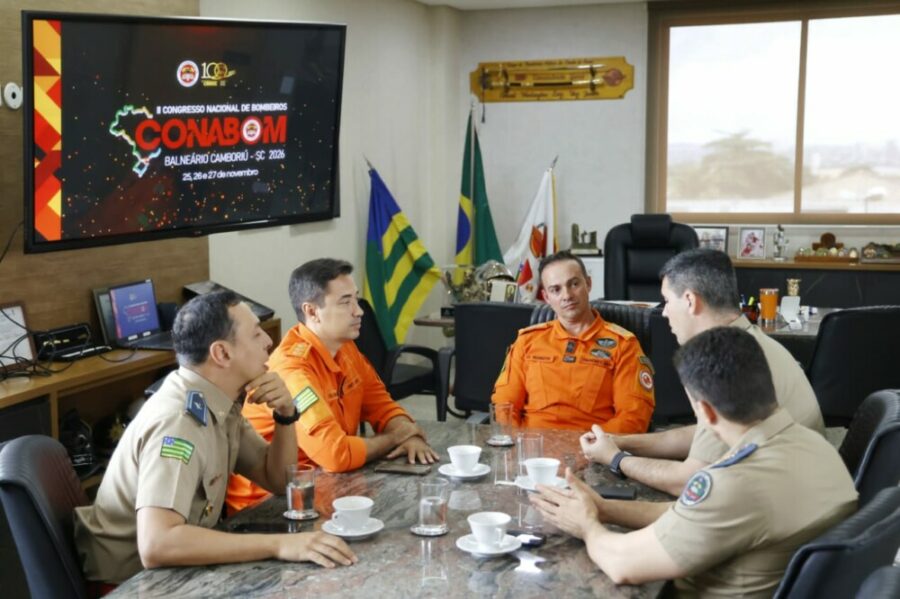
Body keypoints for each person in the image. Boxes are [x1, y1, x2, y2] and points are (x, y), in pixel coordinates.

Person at [532, 327, 857, 596]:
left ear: (706, 413)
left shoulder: (733, 483)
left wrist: (587, 525)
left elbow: (622, 564)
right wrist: (604, 508)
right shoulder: (817, 447)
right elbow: (692, 514)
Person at [74, 292, 356, 586]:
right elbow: (157, 544)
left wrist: (286, 414)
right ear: (222, 353)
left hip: (174, 569)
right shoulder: (179, 423)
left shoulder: (217, 401)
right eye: (256, 334)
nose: (268, 342)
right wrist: (278, 545)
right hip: (131, 584)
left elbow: (276, 480)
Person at [581, 249, 824, 495]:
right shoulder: (749, 343)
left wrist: (616, 458)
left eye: (667, 301)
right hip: (799, 487)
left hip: (780, 499)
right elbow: (706, 436)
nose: (664, 312)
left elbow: (688, 481)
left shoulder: (727, 364)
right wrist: (621, 442)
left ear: (690, 300)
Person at [226, 258, 438, 513]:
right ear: (312, 311)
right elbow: (336, 455)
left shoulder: (345, 348)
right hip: (269, 504)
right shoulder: (293, 369)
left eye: (356, 299)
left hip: (325, 484)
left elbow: (383, 406)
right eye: (345, 302)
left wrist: (410, 435)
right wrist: (397, 436)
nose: (358, 311)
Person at [491, 250, 655, 433]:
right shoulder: (527, 341)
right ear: (546, 297)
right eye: (556, 289)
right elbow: (505, 406)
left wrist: (587, 446)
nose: (567, 295)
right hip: (532, 447)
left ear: (588, 284)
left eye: (574, 284)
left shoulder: (624, 345)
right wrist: (516, 443)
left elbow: (633, 418)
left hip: (593, 447)